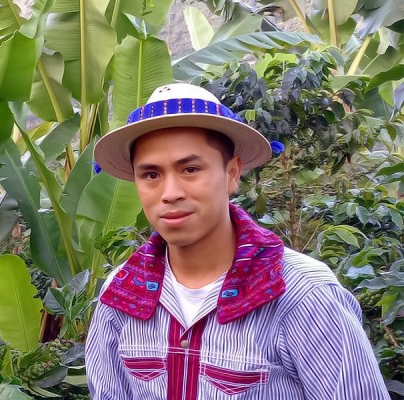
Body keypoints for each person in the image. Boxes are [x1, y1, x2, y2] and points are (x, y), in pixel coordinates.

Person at [85, 83, 389, 398]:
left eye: (190, 169)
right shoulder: (121, 294)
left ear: (232, 173)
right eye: (151, 175)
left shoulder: (303, 295)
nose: (170, 193)